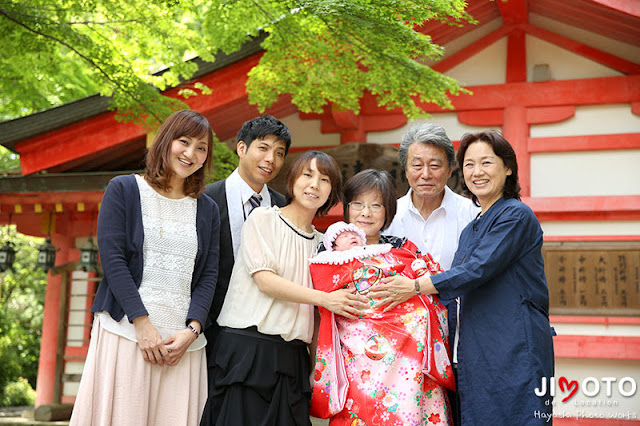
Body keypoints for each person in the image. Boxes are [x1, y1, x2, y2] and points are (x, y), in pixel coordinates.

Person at [375, 130, 555, 425]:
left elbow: (475, 270)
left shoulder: (516, 215)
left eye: (487, 163)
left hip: (513, 345)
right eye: (470, 164)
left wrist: (414, 287)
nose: (477, 172)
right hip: (473, 349)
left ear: (508, 167)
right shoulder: (474, 225)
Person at [70, 110, 220, 426]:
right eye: (184, 141)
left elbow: (208, 275)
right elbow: (112, 261)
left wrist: (192, 331)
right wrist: (142, 323)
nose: (191, 153)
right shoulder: (124, 189)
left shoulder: (207, 208)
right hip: (126, 332)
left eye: (202, 147)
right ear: (166, 141)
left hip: (182, 346)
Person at [208, 151, 369, 426]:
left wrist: (316, 368)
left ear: (332, 193)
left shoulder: (325, 247)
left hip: (294, 357)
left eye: (324, 179)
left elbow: (320, 315)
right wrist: (326, 298)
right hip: (248, 350)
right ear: (293, 179)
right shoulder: (263, 219)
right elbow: (265, 280)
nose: (314, 184)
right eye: (308, 174)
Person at [310, 221, 455, 424]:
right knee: (363, 395)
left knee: (413, 383)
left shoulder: (390, 251)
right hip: (357, 337)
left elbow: (403, 274)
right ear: (332, 247)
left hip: (402, 332)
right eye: (343, 235)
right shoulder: (328, 261)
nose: (352, 235)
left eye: (375, 205)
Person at [200, 115, 291, 424]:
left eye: (279, 153)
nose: (271, 159)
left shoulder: (283, 207)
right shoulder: (205, 199)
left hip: (267, 344)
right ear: (241, 148)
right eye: (263, 148)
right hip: (212, 336)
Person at [385, 123, 479, 270]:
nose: (426, 175)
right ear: (406, 171)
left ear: (449, 170)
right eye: (417, 166)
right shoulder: (389, 214)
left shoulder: (472, 214)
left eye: (434, 166)